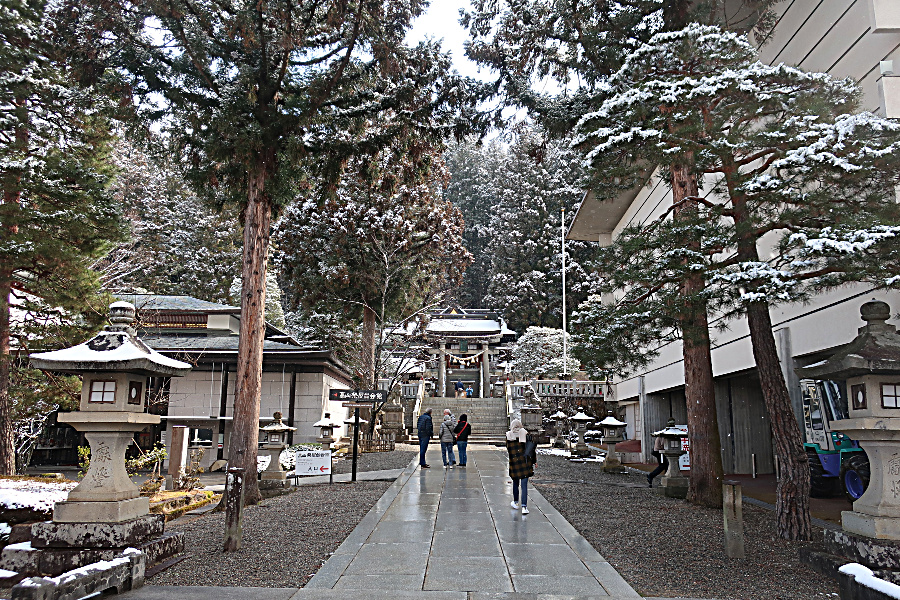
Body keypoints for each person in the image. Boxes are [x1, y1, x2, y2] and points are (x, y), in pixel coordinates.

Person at [506, 419, 535, 514]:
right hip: (525, 463)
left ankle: (515, 502)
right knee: (524, 486)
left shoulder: (509, 436)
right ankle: (524, 507)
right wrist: (534, 461)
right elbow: (531, 449)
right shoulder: (525, 434)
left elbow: (509, 450)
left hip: (514, 463)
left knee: (515, 483)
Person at [647, 418, 676, 487]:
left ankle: (667, 477)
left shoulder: (665, 432)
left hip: (659, 451)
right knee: (663, 465)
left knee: (666, 465)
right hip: (660, 451)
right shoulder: (665, 434)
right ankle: (651, 475)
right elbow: (663, 444)